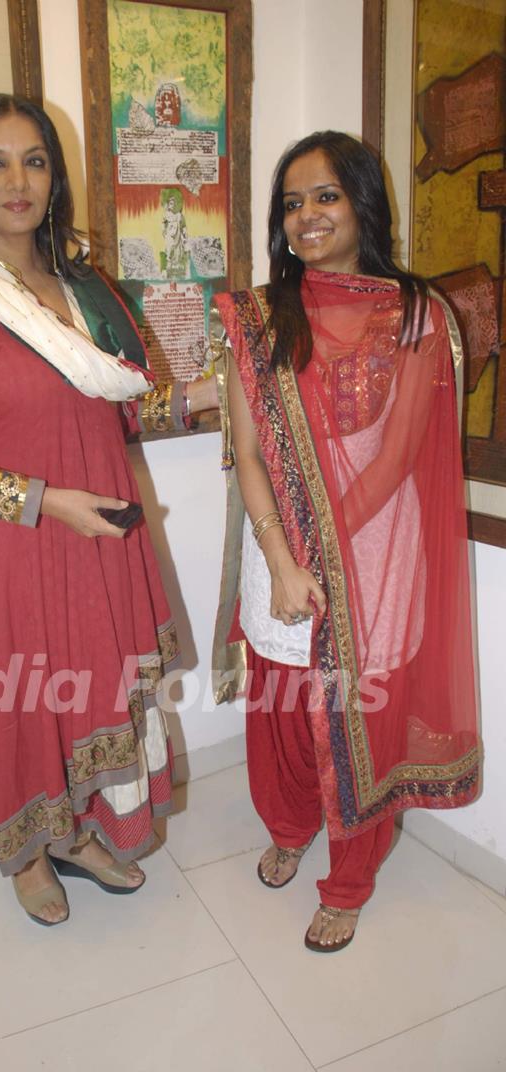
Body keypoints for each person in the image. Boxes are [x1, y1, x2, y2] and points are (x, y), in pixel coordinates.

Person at [0, 94, 216, 926]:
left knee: (90, 690)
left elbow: (119, 408)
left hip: (95, 536)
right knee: (25, 700)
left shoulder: (84, 289)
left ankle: (78, 832)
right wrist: (46, 501)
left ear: (54, 180)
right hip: (8, 549)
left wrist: (201, 398)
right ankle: (27, 850)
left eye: (34, 161)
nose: (16, 180)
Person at [211, 131, 481, 951]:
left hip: (376, 554)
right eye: (291, 203)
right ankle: (290, 826)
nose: (306, 216)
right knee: (285, 707)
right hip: (278, 551)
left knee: (361, 714)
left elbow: (398, 456)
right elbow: (249, 451)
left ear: (363, 202)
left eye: (325, 195)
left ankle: (351, 879)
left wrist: (318, 551)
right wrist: (285, 556)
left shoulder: (419, 315)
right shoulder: (260, 316)